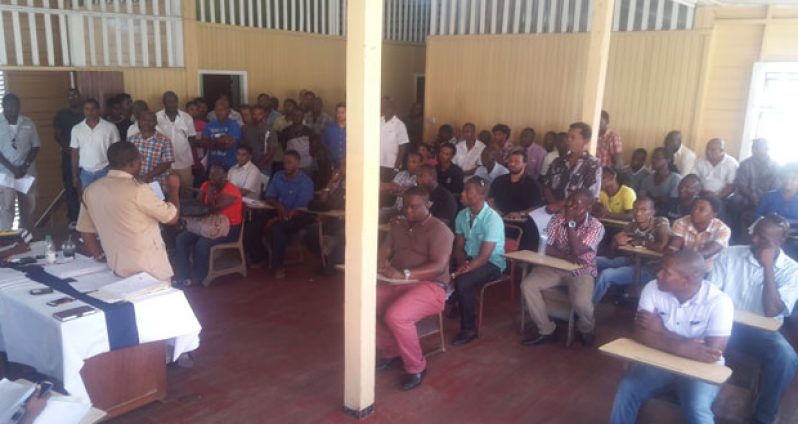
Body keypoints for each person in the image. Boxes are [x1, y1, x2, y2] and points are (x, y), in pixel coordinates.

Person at [609, 250, 733, 424]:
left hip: (700, 370)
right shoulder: (653, 287)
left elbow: (712, 353)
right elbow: (640, 333)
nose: (658, 274)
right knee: (627, 388)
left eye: (666, 272)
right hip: (659, 362)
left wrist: (661, 331)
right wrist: (685, 347)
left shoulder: (720, 302)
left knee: (696, 408)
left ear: (686, 281)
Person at [711, 214, 798, 424]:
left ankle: (763, 417)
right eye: (755, 234)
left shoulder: (792, 270)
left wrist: (768, 267)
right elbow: (711, 296)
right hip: (723, 324)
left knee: (786, 357)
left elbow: (771, 311)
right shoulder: (729, 255)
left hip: (761, 332)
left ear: (780, 242)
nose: (755, 241)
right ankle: (687, 391)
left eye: (763, 239)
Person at [375, 187, 454, 390]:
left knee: (396, 315)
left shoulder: (440, 230)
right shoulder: (398, 225)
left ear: (428, 205)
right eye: (405, 206)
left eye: (414, 207)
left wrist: (405, 274)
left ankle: (416, 367)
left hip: (430, 286)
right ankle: (390, 351)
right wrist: (382, 262)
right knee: (363, 303)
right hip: (398, 282)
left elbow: (438, 266)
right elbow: (385, 249)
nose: (408, 211)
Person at [78, 142, 180, 280]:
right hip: (149, 270)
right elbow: (171, 218)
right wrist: (173, 189)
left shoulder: (91, 190)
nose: (141, 164)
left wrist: (99, 255)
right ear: (133, 164)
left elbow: (85, 230)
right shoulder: (138, 190)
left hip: (116, 268)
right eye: (140, 160)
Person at [520, 189, 604, 347]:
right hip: (555, 265)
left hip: (582, 270)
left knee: (581, 303)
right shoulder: (556, 219)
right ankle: (546, 330)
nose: (570, 208)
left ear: (588, 208)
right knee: (528, 285)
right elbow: (547, 247)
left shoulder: (596, 227)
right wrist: (567, 257)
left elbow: (577, 250)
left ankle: (586, 329)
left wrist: (569, 223)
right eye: (569, 203)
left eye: (576, 205)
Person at [450, 178, 506, 346]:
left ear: (481, 195)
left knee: (463, 281)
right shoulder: (462, 215)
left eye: (468, 191)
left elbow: (484, 257)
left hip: (493, 263)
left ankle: (469, 329)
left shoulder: (492, 219)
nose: (462, 194)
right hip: (469, 258)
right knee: (440, 269)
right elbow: (459, 247)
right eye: (463, 190)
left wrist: (462, 271)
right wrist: (461, 264)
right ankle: (455, 300)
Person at [174, 163, 243, 286]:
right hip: (207, 224)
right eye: (211, 173)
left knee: (202, 243)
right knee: (181, 239)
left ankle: (198, 277)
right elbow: (199, 206)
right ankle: (182, 275)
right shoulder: (206, 185)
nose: (212, 176)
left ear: (225, 175)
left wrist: (210, 195)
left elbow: (213, 209)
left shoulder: (231, 190)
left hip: (229, 229)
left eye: (216, 174)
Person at [592, 197, 671, 304]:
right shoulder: (631, 226)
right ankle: (581, 292)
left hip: (650, 267)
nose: (638, 213)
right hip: (632, 261)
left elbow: (662, 245)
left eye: (643, 210)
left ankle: (587, 309)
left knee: (606, 275)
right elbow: (611, 256)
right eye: (635, 209)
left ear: (652, 212)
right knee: (591, 260)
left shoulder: (660, 222)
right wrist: (615, 241)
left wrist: (641, 242)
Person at [263, 150, 315, 279]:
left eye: (289, 163)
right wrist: (278, 206)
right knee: (256, 223)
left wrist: (279, 218)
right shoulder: (278, 176)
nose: (286, 165)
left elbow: (301, 207)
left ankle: (278, 266)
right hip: (279, 210)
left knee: (278, 228)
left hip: (299, 214)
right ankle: (259, 257)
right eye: (284, 163)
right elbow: (269, 196)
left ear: (298, 163)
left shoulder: (305, 182)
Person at [488, 149, 543, 249]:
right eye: (510, 161)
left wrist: (520, 214)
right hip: (498, 219)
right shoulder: (499, 180)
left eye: (517, 162)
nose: (512, 164)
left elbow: (536, 207)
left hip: (520, 223)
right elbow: (490, 200)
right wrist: (495, 210)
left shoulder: (532, 184)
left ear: (525, 164)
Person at [0, 94, 40, 230]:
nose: (14, 108)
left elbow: (35, 146)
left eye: (16, 105)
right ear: (3, 105)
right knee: (7, 206)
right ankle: (5, 240)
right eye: (10, 105)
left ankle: (28, 237)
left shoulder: (28, 122)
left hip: (26, 172)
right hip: (5, 174)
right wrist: (13, 169)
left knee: (28, 206)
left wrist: (25, 166)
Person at [542, 122, 601, 212]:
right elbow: (546, 185)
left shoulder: (593, 165)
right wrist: (553, 204)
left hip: (575, 212)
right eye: (568, 137)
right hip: (551, 209)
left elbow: (588, 196)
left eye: (573, 137)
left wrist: (560, 206)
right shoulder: (558, 162)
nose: (568, 140)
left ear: (585, 141)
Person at [728, 138, 779, 235]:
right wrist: (752, 196)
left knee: (774, 204)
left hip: (767, 197)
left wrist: (764, 199)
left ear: (767, 149)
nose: (754, 150)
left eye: (758, 147)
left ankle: (766, 233)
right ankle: (735, 232)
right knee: (735, 201)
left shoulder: (776, 166)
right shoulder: (745, 164)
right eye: (753, 148)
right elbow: (741, 184)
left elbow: (776, 187)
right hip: (747, 196)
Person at [667, 193, 731, 269]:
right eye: (694, 207)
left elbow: (708, 252)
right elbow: (674, 247)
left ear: (714, 214)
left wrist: (685, 264)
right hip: (684, 268)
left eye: (701, 209)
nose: (695, 211)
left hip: (711, 270)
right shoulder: (681, 222)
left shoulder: (723, 229)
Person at [70, 98, 121, 191]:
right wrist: (75, 175)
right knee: (86, 201)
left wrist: (115, 171)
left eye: (93, 109)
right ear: (83, 110)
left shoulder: (110, 127)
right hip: (85, 172)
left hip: (105, 170)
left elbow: (116, 151)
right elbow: (74, 153)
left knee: (105, 200)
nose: (90, 112)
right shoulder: (76, 129)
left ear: (98, 110)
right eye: (87, 109)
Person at [53, 88, 84, 226]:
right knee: (71, 187)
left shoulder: (86, 113)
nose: (72, 98)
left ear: (80, 97)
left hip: (86, 157)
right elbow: (57, 135)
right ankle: (73, 218)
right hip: (68, 157)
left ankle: (88, 218)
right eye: (69, 95)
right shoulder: (61, 114)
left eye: (75, 95)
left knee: (86, 187)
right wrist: (69, 150)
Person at [156, 91, 198, 194]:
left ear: (177, 102)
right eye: (168, 101)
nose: (172, 104)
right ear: (163, 103)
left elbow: (192, 138)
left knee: (186, 191)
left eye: (174, 101)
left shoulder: (186, 117)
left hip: (184, 162)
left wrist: (183, 149)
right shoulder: (156, 117)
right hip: (164, 163)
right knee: (167, 192)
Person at [128, 110, 174, 188]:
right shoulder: (131, 140)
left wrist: (146, 177)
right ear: (138, 122)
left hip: (156, 183)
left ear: (155, 123)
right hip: (135, 182)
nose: (146, 122)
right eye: (143, 120)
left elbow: (166, 163)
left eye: (150, 120)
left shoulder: (164, 141)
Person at [202, 99, 241, 170]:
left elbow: (227, 145)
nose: (219, 112)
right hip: (212, 166)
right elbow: (204, 143)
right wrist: (220, 140)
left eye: (222, 110)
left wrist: (211, 142)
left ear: (228, 111)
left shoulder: (234, 125)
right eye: (217, 109)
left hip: (229, 165)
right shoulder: (209, 125)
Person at [639, 147, 682, 212]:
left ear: (668, 160)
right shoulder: (647, 179)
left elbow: (673, 203)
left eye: (657, 158)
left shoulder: (675, 179)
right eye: (653, 158)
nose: (653, 160)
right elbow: (641, 200)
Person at [241, 105, 280, 175]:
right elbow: (242, 147)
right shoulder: (244, 129)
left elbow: (272, 151)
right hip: (247, 166)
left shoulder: (270, 130)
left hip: (264, 168)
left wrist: (259, 165)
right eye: (254, 114)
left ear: (264, 115)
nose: (256, 116)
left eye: (259, 114)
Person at [380, 97, 410, 183]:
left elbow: (402, 148)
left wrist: (396, 168)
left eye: (389, 107)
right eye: (384, 107)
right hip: (376, 163)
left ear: (394, 109)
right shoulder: (377, 121)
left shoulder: (400, 125)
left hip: (391, 165)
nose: (386, 109)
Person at [280, 109, 316, 174]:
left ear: (303, 117)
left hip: (306, 164)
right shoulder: (286, 131)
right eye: (294, 115)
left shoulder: (309, 131)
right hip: (291, 165)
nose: (296, 117)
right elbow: (284, 146)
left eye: (299, 115)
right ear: (291, 117)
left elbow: (313, 147)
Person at [322, 102, 346, 170]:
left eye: (343, 112)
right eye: (338, 112)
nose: (340, 114)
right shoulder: (329, 129)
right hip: (333, 164)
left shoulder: (353, 129)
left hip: (350, 164)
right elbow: (324, 145)